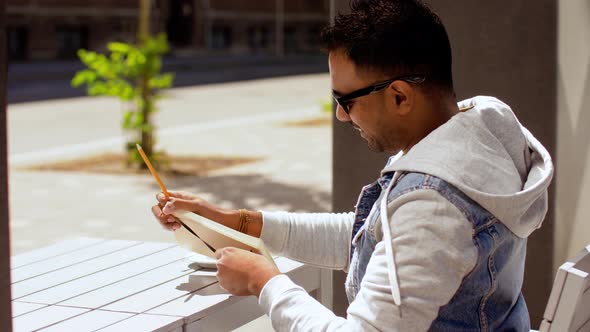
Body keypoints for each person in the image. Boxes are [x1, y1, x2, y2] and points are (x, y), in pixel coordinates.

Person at [152, 0, 554, 330]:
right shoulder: (472, 140)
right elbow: (371, 237)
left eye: (346, 100)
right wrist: (235, 221)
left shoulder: (433, 205)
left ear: (399, 97)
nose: (342, 117)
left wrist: (264, 282)